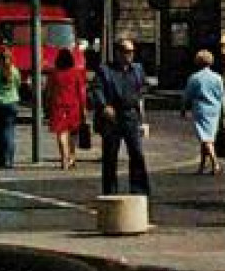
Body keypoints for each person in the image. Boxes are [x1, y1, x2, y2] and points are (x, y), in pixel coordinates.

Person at [92, 38, 150, 196]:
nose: (129, 55)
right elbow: (97, 89)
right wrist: (104, 106)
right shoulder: (105, 70)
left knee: (137, 153)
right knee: (110, 155)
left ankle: (139, 189)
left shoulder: (137, 69)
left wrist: (142, 117)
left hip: (131, 115)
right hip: (112, 117)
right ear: (118, 53)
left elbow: (142, 90)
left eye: (131, 52)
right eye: (126, 51)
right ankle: (110, 191)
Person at [182, 50, 225, 175]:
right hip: (215, 110)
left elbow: (187, 95)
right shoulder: (218, 78)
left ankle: (215, 163)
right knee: (207, 138)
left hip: (201, 110)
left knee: (205, 139)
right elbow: (222, 96)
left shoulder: (194, 77)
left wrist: (184, 109)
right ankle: (202, 166)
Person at [46, 47, 88, 170]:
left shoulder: (54, 74)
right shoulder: (76, 73)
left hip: (58, 106)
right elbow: (81, 92)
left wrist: (47, 105)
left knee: (61, 133)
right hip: (74, 106)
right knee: (73, 133)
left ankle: (64, 157)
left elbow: (49, 91)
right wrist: (84, 107)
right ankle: (72, 156)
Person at [0, 48, 23, 169]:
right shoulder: (15, 71)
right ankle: (10, 160)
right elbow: (18, 85)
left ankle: (0, 160)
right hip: (12, 103)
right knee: (10, 131)